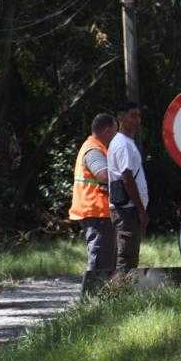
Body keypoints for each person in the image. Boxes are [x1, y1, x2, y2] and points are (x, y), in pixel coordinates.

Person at [68, 113, 118, 271]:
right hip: (96, 212)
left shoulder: (95, 147)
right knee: (99, 260)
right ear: (107, 131)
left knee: (104, 258)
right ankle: (92, 293)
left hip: (97, 211)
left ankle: (100, 293)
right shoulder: (94, 149)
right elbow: (103, 175)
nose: (116, 136)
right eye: (115, 131)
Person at [107, 102, 148, 271]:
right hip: (128, 211)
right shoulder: (122, 144)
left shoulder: (126, 142)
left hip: (129, 210)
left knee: (130, 258)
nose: (137, 120)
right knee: (126, 260)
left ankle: (124, 294)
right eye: (133, 115)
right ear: (121, 118)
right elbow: (127, 178)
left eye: (139, 116)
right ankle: (119, 296)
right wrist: (141, 210)